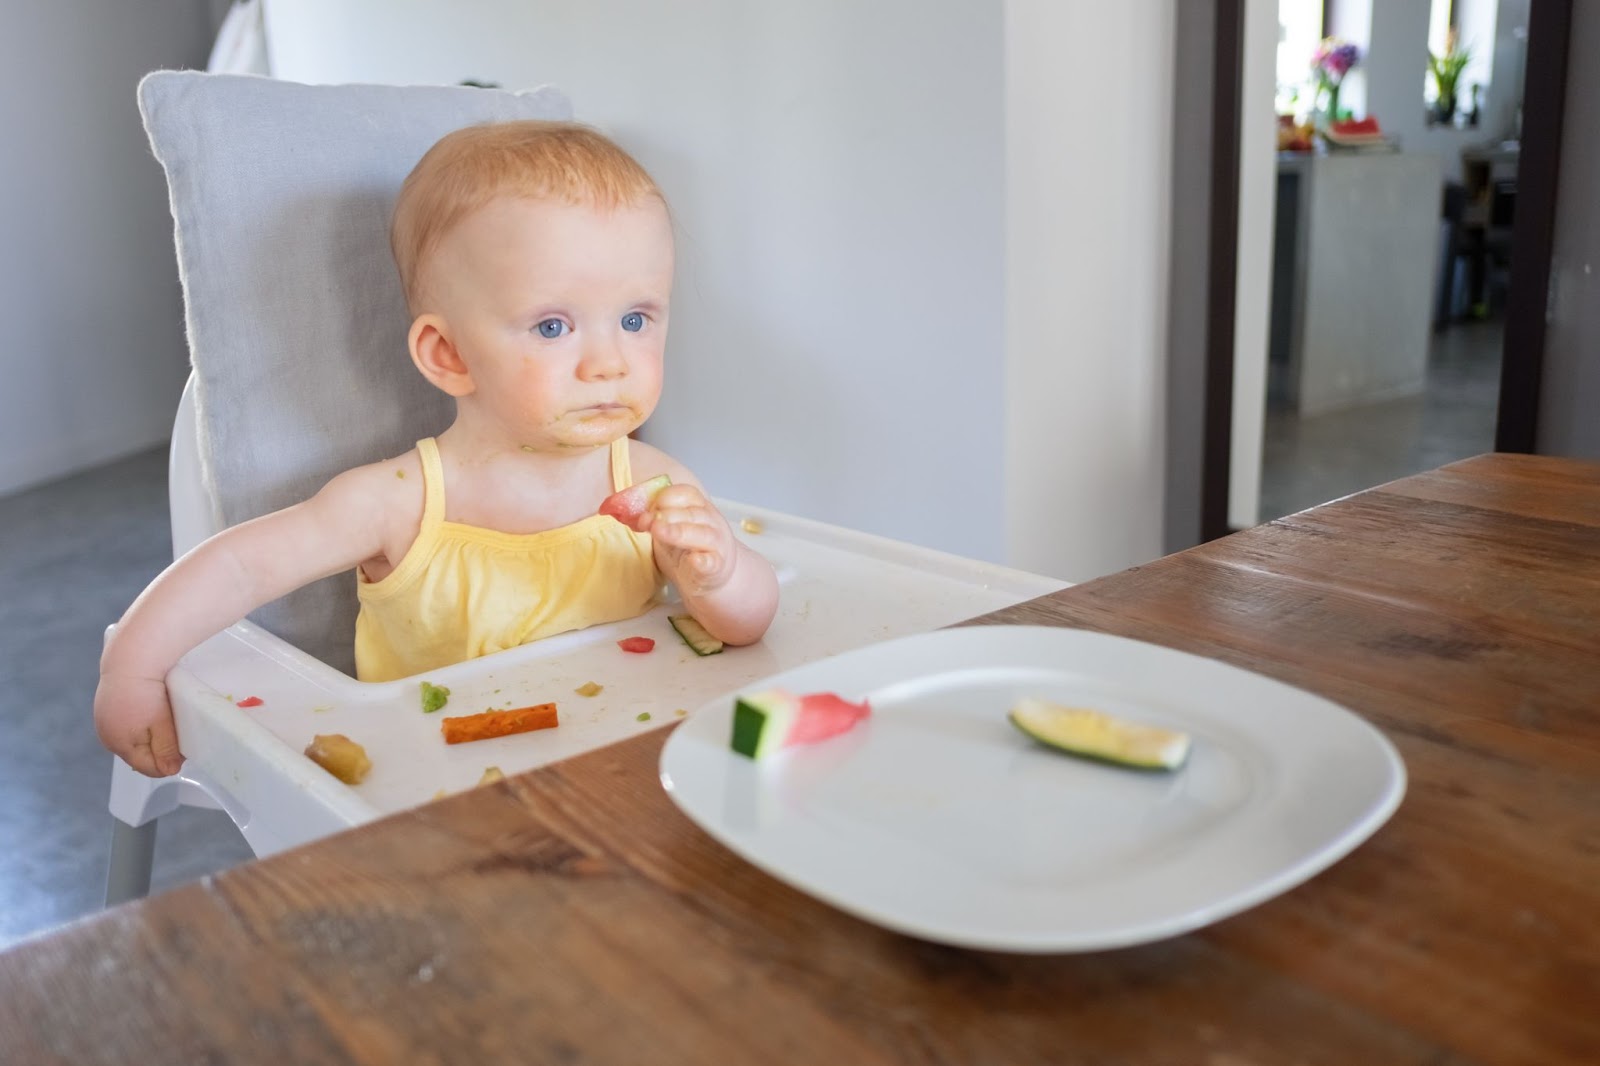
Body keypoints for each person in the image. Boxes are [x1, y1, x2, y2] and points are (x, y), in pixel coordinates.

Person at [94, 120, 780, 778]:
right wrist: (134, 666)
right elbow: (240, 569)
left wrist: (719, 578)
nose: (609, 363)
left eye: (635, 319)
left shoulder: (656, 486)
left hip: (622, 771)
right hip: (437, 794)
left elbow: (744, 628)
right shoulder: (398, 503)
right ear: (448, 354)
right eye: (552, 326)